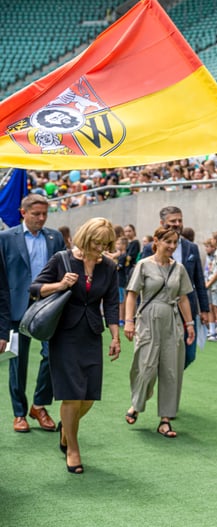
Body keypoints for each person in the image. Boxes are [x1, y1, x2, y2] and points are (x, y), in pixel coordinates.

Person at [31, 218, 120, 474]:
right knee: (72, 395)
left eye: (105, 244)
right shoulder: (62, 259)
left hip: (92, 333)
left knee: (89, 397)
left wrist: (115, 336)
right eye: (96, 242)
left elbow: (112, 304)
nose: (100, 248)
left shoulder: (109, 266)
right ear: (85, 237)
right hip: (64, 335)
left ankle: (65, 432)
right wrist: (61, 285)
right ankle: (73, 448)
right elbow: (35, 288)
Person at [0, 193, 65, 433]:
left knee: (52, 356)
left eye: (44, 214)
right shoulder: (5, 239)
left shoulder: (55, 237)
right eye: (36, 214)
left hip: (48, 306)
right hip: (16, 310)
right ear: (23, 212)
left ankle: (39, 405)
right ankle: (19, 413)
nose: (41, 218)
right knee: (17, 362)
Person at [123, 226, 195, 438]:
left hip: (172, 323)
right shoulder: (143, 265)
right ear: (157, 241)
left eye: (175, 243)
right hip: (147, 320)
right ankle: (137, 403)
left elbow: (183, 298)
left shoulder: (179, 268)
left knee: (171, 371)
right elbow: (131, 294)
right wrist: (128, 321)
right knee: (145, 367)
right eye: (168, 242)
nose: (172, 247)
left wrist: (189, 324)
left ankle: (165, 419)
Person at [140, 206, 209, 368]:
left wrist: (204, 309)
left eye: (180, 220)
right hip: (158, 309)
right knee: (158, 353)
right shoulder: (149, 248)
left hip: (187, 309)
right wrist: (138, 313)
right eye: (173, 221)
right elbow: (140, 283)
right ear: (162, 223)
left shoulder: (191, 248)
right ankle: (166, 378)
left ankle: (171, 377)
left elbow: (199, 281)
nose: (177, 224)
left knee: (189, 354)